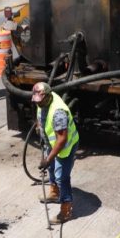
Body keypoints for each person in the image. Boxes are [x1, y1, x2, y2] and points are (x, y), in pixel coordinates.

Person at [34, 82, 79, 224]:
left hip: (65, 147)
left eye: (40, 102)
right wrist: (39, 127)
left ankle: (66, 209)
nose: (38, 104)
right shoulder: (42, 100)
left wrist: (48, 159)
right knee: (52, 169)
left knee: (62, 177)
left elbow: (62, 140)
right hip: (52, 144)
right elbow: (40, 113)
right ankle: (54, 193)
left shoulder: (58, 112)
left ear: (47, 97)